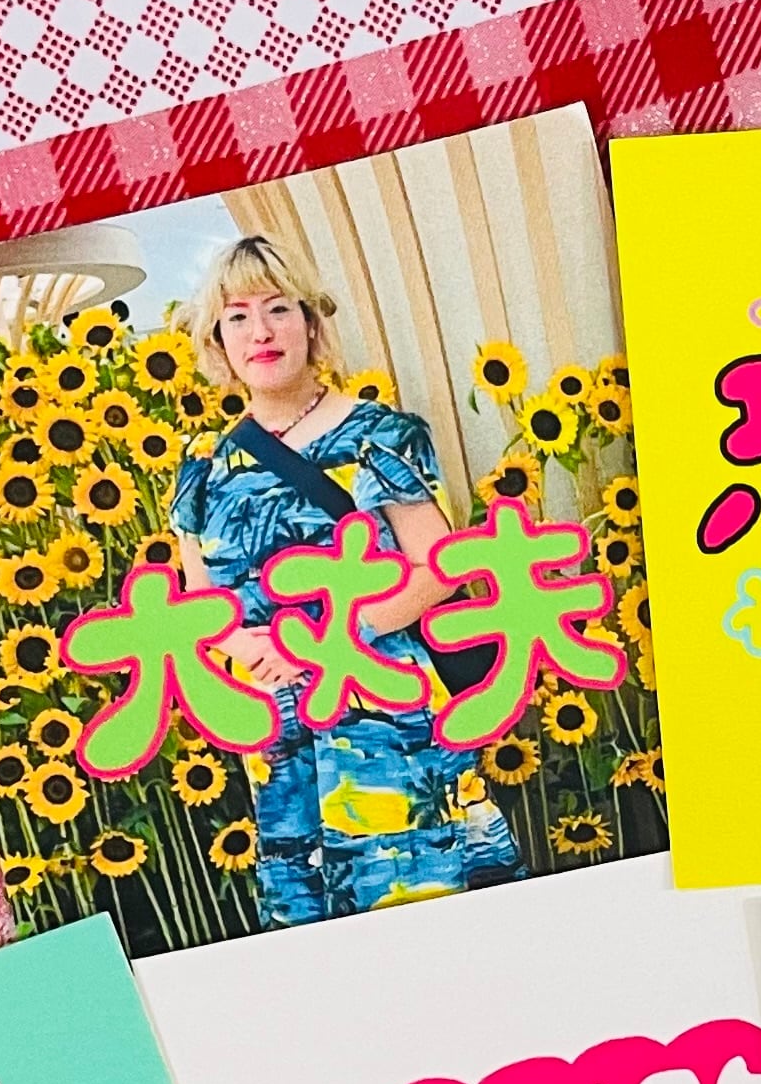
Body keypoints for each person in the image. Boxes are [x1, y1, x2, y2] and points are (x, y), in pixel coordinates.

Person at [170, 234, 519, 925]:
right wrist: (243, 645)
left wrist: (324, 640)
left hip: (383, 712)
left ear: (310, 323)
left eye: (278, 308)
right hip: (278, 730)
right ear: (217, 340)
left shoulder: (377, 436)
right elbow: (201, 599)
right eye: (237, 316)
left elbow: (436, 566)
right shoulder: (203, 466)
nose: (260, 331)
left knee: (421, 903)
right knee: (313, 925)